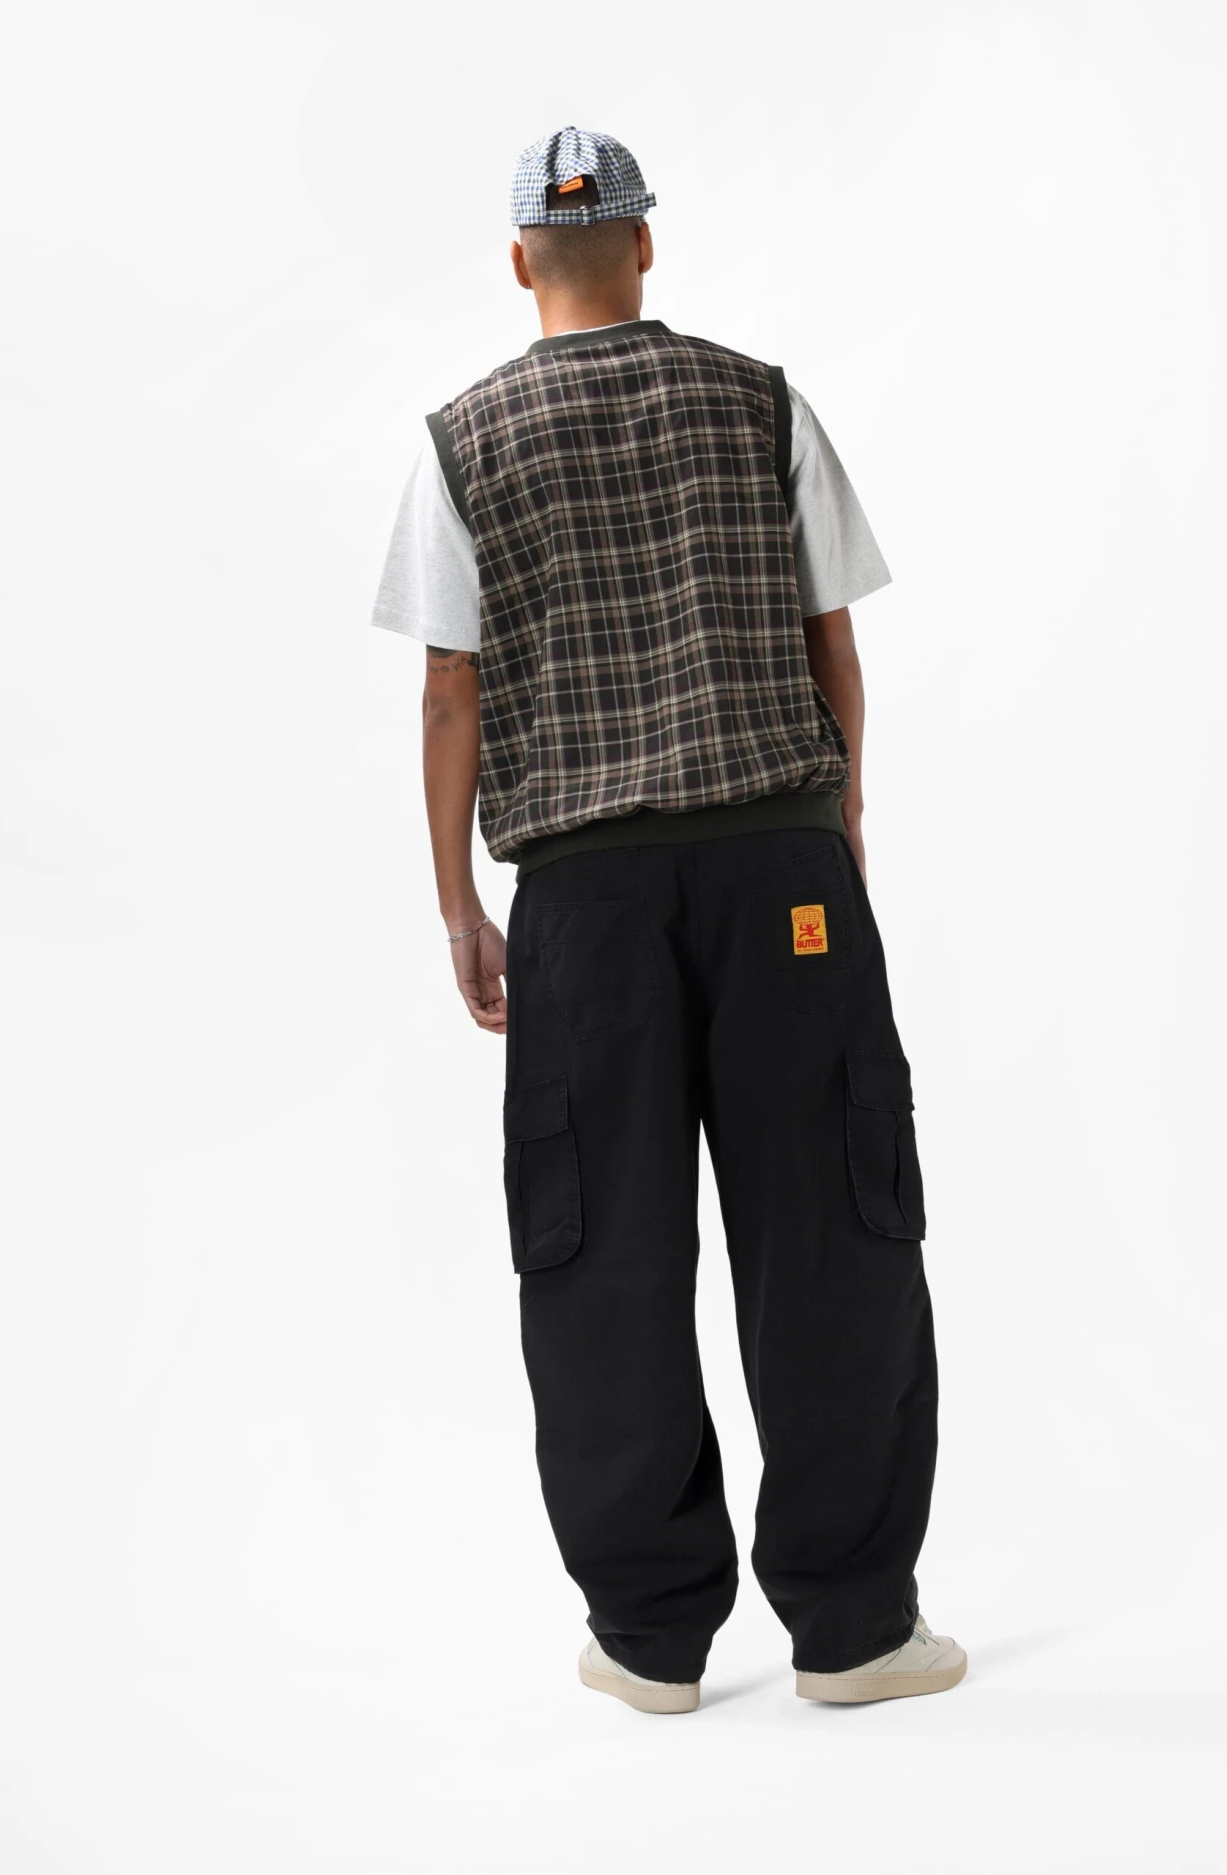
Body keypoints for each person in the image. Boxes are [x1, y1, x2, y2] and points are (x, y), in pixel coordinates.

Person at [370, 125, 965, 1713]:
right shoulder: (762, 402)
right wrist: (838, 821)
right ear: (644, 244)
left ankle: (648, 1639)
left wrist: (459, 901)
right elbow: (835, 646)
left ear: (521, 263)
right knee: (830, 1229)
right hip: (782, 872)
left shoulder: (459, 442)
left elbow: (447, 693)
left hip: (580, 903)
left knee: (601, 1249)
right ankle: (854, 1628)